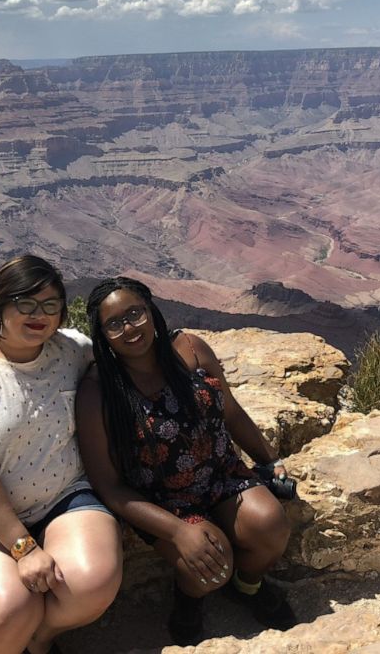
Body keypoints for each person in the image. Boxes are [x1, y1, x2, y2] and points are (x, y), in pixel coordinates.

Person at [76, 276, 295, 646]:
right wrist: (178, 531)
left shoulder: (191, 349)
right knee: (213, 564)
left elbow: (232, 415)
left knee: (271, 526)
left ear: (151, 311)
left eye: (135, 313)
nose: (129, 328)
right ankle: (188, 600)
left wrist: (269, 460)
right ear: (101, 334)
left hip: (221, 475)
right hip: (163, 501)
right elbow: (108, 485)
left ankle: (249, 587)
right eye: (114, 323)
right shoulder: (99, 390)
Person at [0, 255, 122, 654]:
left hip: (63, 494)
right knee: (9, 609)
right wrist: (24, 548)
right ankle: (18, 630)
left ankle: (40, 637)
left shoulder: (73, 350)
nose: (40, 316)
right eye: (25, 304)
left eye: (51, 305)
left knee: (93, 582)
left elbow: (129, 367)